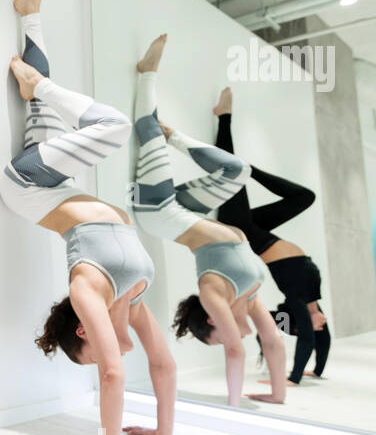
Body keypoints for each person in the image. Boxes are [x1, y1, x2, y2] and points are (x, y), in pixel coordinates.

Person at [0, 0, 177, 435]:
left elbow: (113, 375)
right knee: (46, 114)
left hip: (28, 189)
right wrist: (162, 433)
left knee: (111, 126)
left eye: (92, 351)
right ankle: (30, 16)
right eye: (98, 354)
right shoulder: (133, 302)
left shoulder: (87, 291)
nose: (104, 352)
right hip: (61, 188)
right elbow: (162, 365)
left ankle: (38, 81)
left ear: (83, 331)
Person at [129, 36, 287, 407]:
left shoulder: (213, 293)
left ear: (214, 321)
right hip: (184, 213)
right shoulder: (246, 298)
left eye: (217, 337)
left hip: (160, 214)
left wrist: (232, 405)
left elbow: (234, 351)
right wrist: (277, 395)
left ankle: (146, 76)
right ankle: (174, 135)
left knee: (147, 133)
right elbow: (274, 342)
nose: (237, 337)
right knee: (237, 170)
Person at [211, 88, 330, 386]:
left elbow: (307, 344)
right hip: (257, 231)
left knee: (230, 174)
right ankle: (251, 171)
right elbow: (324, 343)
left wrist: (292, 378)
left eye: (315, 328)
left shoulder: (299, 301)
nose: (323, 325)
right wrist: (316, 371)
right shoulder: (316, 304)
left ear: (302, 328)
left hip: (241, 232)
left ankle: (224, 119)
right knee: (305, 197)